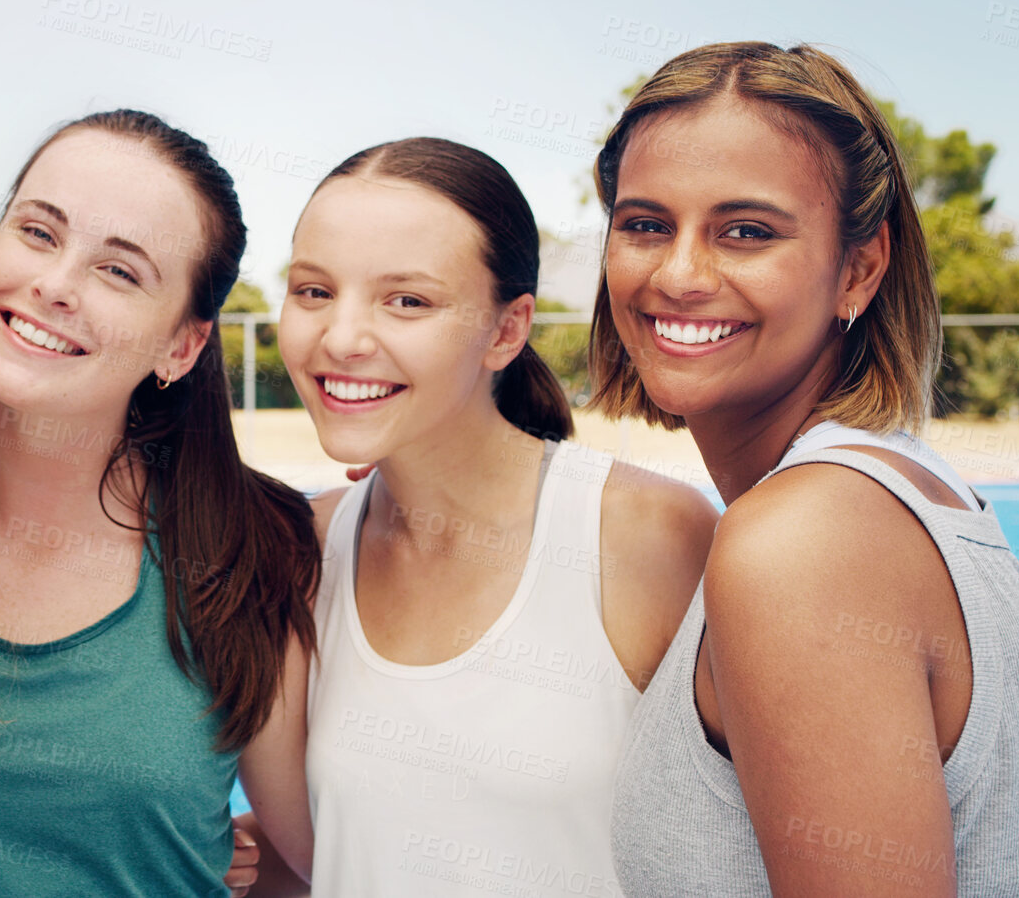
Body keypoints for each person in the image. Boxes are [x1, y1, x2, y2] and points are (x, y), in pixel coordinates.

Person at [599, 42, 1019, 895]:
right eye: (644, 224)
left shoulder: (803, 541)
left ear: (858, 266)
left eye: (745, 231)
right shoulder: (891, 490)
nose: (677, 273)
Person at [0, 110, 319, 898]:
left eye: (119, 271)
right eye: (38, 233)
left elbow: (322, 862)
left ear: (181, 345)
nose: (54, 284)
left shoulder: (251, 552)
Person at [268, 137, 715, 897]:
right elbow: (323, 857)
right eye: (312, 291)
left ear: (506, 331)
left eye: (406, 300)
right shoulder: (295, 551)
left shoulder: (648, 534)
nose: (339, 338)